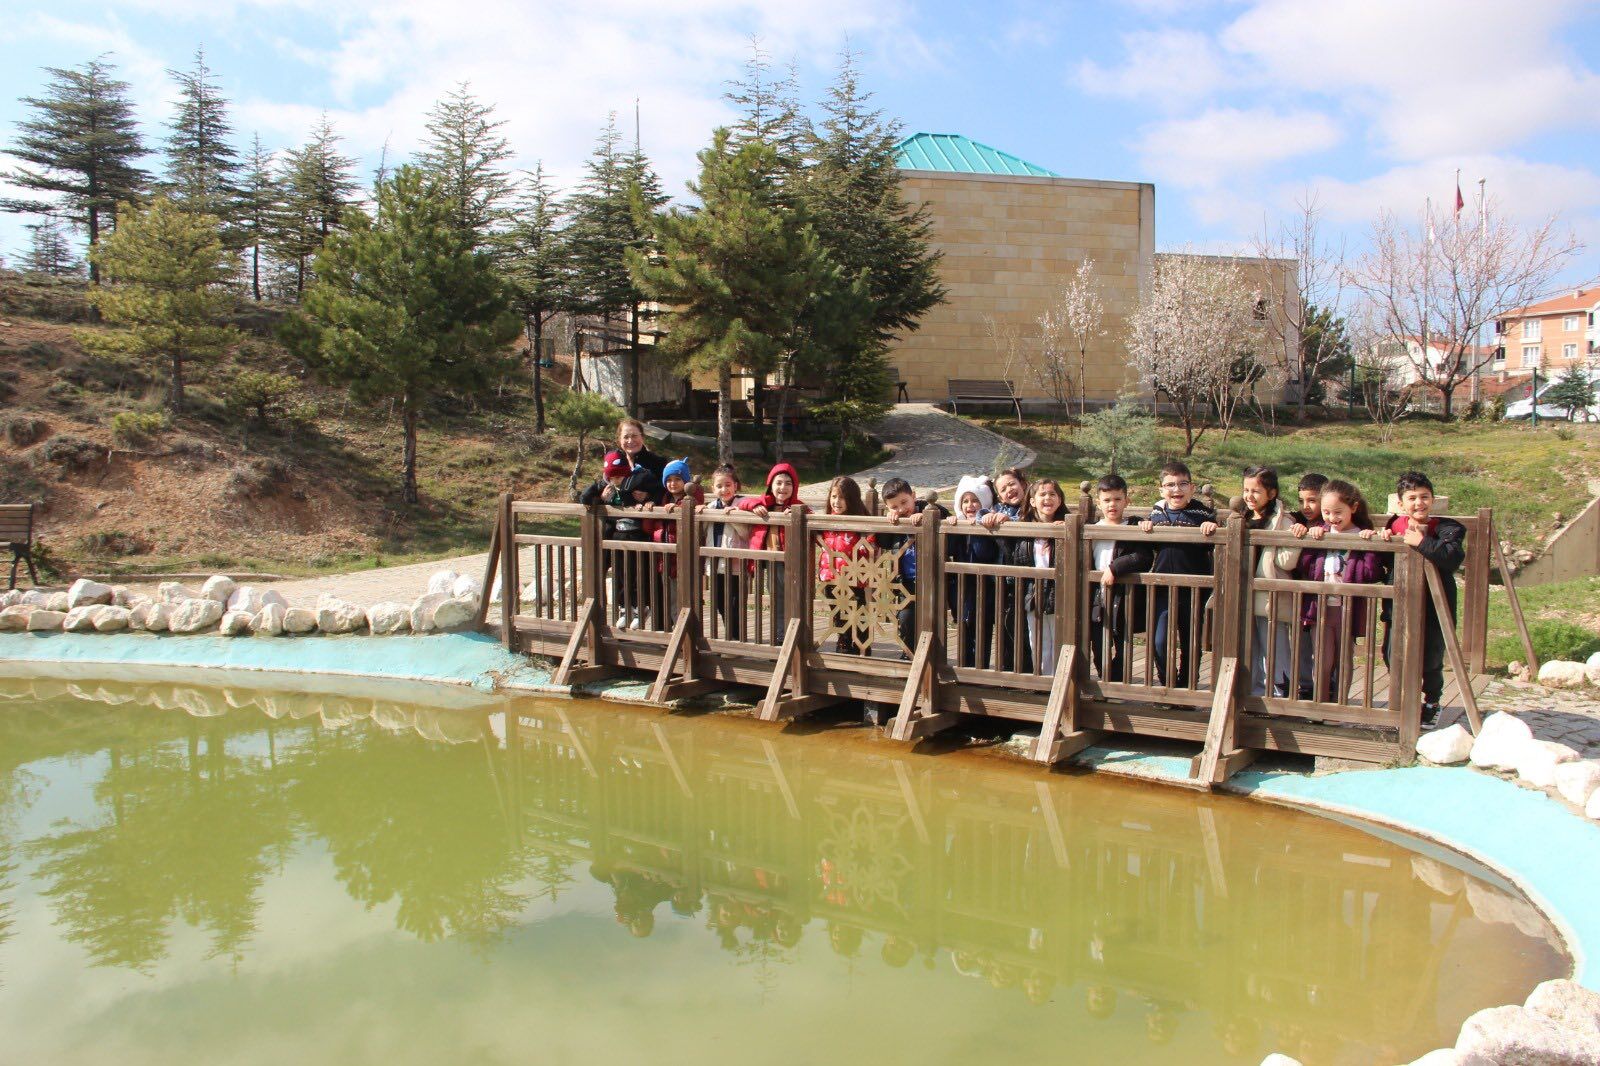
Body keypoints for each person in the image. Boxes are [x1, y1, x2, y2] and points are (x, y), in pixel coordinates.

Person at [1372, 471, 1467, 728]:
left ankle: (1432, 702)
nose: (1419, 503)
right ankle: (1405, 700)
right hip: (1399, 603)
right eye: (1412, 498)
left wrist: (1422, 541)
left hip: (1435, 604)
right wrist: (1382, 544)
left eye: (1424, 497)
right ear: (1401, 503)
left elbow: (1452, 557)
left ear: (1433, 500)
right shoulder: (1393, 525)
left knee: (1431, 656)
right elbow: (1381, 565)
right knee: (1392, 653)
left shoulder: (1448, 527)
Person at [1295, 479, 1381, 701]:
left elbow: (1372, 573)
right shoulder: (1320, 531)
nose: (1332, 518)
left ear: (1353, 508)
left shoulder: (1362, 534)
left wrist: (1369, 547)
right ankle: (1320, 704)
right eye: (1326, 512)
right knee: (1322, 659)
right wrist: (1309, 541)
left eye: (1337, 512)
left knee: (1344, 660)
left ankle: (1341, 703)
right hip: (1321, 608)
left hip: (1347, 609)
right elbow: (1305, 566)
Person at [1138, 462, 1218, 689]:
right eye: (1170, 485)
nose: (1177, 490)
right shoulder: (1155, 514)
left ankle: (1187, 686)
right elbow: (1146, 542)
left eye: (1182, 484)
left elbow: (1215, 535)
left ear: (1192, 488)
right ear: (1161, 490)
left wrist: (1210, 528)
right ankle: (1167, 683)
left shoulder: (1202, 513)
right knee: (1159, 641)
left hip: (1193, 589)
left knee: (1191, 642)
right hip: (1162, 588)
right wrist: (1144, 525)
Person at [1241, 465, 1305, 698]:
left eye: (1256, 491)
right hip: (1244, 592)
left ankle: (1279, 691)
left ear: (1272, 493)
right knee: (1250, 646)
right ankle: (1254, 692)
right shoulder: (1241, 518)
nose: (1249, 496)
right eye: (1246, 490)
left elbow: (1287, 562)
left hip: (1269, 593)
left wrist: (1290, 539)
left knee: (1274, 645)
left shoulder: (1283, 521)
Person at [580, 451, 661, 629]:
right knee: (620, 575)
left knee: (638, 573)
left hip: (637, 536)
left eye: (620, 475)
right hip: (615, 537)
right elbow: (584, 497)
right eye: (613, 476)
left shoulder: (639, 479)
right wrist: (600, 498)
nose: (617, 480)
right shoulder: (604, 485)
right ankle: (624, 608)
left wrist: (649, 500)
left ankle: (641, 607)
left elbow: (658, 490)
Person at [1088, 474, 1152, 683]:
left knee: (1123, 643)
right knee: (1099, 643)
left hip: (1124, 596)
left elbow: (1143, 557)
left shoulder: (1134, 526)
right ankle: (1105, 681)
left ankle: (1117, 682)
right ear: (1099, 502)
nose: (1112, 505)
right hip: (1097, 595)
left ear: (1126, 500)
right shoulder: (1091, 529)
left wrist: (1114, 568)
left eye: (1117, 499)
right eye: (1106, 500)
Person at [737, 462, 809, 643]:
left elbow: (811, 515)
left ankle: (795, 637)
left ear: (795, 487)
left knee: (793, 599)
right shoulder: (764, 503)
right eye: (778, 483)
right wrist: (753, 505)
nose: (782, 487)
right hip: (769, 561)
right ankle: (779, 637)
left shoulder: (798, 506)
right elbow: (742, 502)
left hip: (791, 561)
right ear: (770, 485)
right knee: (776, 600)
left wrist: (797, 514)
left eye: (788, 483)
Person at [876, 477, 947, 657]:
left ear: (913, 496)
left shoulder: (926, 508)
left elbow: (946, 515)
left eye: (904, 502)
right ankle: (908, 654)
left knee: (932, 620)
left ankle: (933, 659)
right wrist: (888, 522)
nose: (901, 509)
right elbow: (882, 542)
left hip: (931, 578)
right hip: (905, 581)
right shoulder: (897, 519)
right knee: (906, 619)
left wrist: (926, 514)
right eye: (894, 507)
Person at [1010, 478, 1069, 675]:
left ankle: (1060, 682)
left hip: (1060, 594)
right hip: (1033, 595)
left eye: (1052, 494)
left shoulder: (1068, 525)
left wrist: (1067, 531)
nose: (1048, 498)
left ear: (1060, 500)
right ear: (1033, 501)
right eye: (1042, 494)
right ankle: (1043, 683)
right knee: (1038, 642)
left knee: (1061, 641)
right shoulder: (1023, 528)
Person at [979, 467, 1031, 671]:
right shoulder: (1000, 509)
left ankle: (1027, 672)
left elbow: (1033, 522)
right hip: (1004, 579)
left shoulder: (1031, 506)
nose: (1009, 490)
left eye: (1012, 484)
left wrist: (1011, 521)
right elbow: (981, 515)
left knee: (1025, 628)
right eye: (1003, 489)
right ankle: (1007, 672)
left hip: (1027, 577)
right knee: (1006, 626)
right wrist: (985, 517)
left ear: (1022, 484)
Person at [947, 475, 1001, 668]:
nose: (970, 505)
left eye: (975, 501)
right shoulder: (959, 524)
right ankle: (964, 668)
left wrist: (978, 528)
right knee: (964, 628)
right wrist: (953, 526)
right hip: (962, 588)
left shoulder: (988, 525)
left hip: (984, 588)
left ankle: (980, 670)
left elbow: (984, 553)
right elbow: (949, 549)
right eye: (966, 501)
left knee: (981, 630)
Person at [817, 476, 874, 655]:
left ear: (851, 499)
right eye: (833, 497)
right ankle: (843, 648)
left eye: (841, 497)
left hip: (853, 579)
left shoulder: (861, 521)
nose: (836, 502)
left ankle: (861, 649)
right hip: (831, 577)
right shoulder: (825, 521)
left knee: (858, 614)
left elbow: (871, 544)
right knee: (839, 616)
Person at [645, 458, 704, 625]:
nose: (673, 484)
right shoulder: (662, 499)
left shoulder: (693, 496)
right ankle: (674, 631)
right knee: (669, 598)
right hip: (664, 558)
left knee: (685, 598)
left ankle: (687, 634)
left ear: (686, 481)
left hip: (683, 558)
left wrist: (678, 509)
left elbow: (696, 504)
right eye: (669, 480)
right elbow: (649, 528)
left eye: (678, 479)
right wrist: (649, 508)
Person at [699, 464, 749, 641]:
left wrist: (735, 517)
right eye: (719, 486)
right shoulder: (711, 506)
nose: (724, 489)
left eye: (728, 485)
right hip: (716, 563)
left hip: (735, 564)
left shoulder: (742, 505)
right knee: (720, 602)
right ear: (713, 488)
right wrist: (701, 513)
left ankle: (735, 638)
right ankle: (731, 636)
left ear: (736, 485)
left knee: (734, 603)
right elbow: (703, 531)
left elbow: (746, 533)